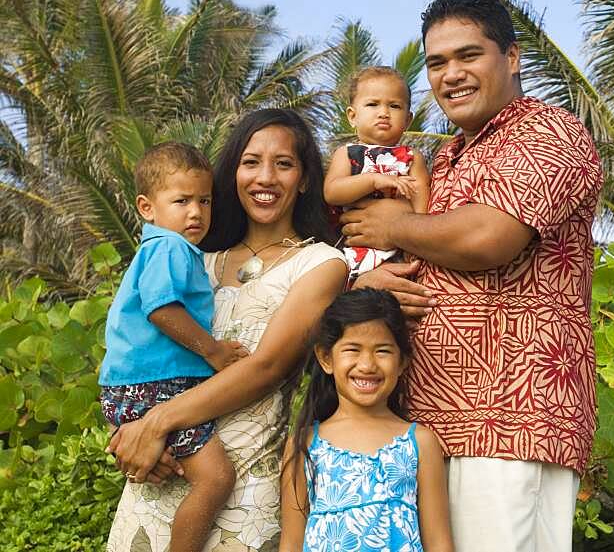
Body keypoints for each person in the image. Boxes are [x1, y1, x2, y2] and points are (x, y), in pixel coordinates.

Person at [341, 0, 603, 552]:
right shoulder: (448, 156)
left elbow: (491, 237)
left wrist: (392, 227)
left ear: (511, 57)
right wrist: (373, 282)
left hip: (512, 420)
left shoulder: (547, 132)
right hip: (428, 423)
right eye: (437, 63)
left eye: (468, 56)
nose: (450, 75)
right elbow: (421, 259)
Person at [105, 109, 349, 552]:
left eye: (284, 164)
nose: (265, 177)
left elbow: (267, 368)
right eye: (250, 162)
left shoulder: (322, 264)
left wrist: (155, 422)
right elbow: (141, 345)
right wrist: (130, 429)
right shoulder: (196, 259)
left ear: (306, 179)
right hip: (161, 471)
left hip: (243, 490)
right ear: (232, 173)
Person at [99, 141, 249, 552]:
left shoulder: (159, 249)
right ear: (147, 208)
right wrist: (213, 350)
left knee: (166, 466)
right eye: (181, 200)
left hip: (133, 387)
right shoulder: (170, 247)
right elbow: (161, 310)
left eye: (204, 200)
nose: (196, 212)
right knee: (216, 478)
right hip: (156, 384)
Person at [279, 288, 453, 552]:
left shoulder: (419, 442)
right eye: (352, 349)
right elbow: (291, 543)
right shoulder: (305, 443)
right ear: (326, 358)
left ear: (402, 362)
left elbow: (439, 543)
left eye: (382, 351)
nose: (367, 365)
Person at [323, 66, 430, 279]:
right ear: (352, 116)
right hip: (356, 248)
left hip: (401, 248)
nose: (383, 113)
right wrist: (372, 180)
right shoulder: (347, 154)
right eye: (372, 104)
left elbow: (421, 197)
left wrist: (418, 238)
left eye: (394, 106)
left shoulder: (412, 156)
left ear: (408, 120)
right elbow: (332, 192)